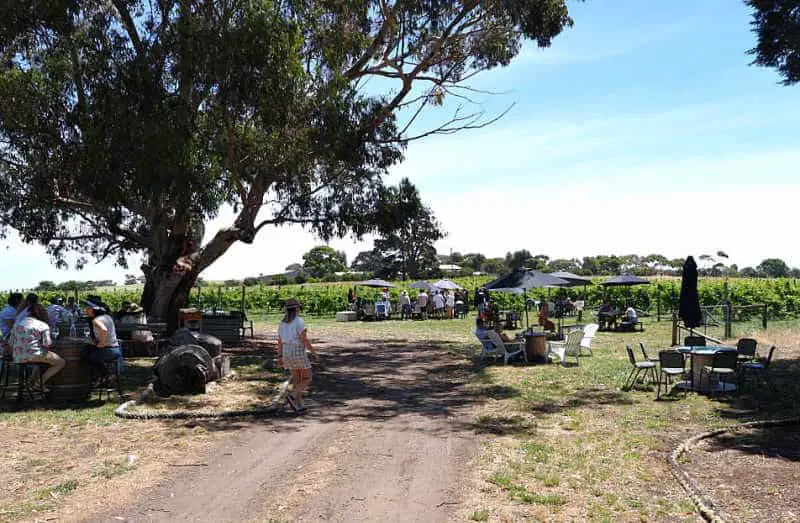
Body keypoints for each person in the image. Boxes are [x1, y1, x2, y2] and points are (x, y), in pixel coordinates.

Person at [11, 302, 65, 392]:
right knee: (60, 362)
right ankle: (40, 383)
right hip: (33, 355)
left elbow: (11, 341)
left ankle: (32, 382)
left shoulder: (18, 324)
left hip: (17, 356)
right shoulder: (42, 325)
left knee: (40, 361)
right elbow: (47, 344)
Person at [277, 298, 317, 412]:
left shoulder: (282, 323)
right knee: (307, 377)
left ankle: (299, 404)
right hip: (297, 351)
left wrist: (279, 356)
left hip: (286, 351)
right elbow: (304, 340)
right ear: (297, 309)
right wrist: (314, 352)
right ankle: (292, 395)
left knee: (297, 379)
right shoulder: (299, 321)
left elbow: (279, 341)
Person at [84, 300, 123, 383]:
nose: (86, 310)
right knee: (91, 354)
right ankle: (106, 376)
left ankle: (103, 376)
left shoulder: (96, 320)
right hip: (116, 349)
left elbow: (104, 330)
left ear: (94, 310)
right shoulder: (108, 317)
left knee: (86, 357)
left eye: (88, 308)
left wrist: (101, 343)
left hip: (108, 350)